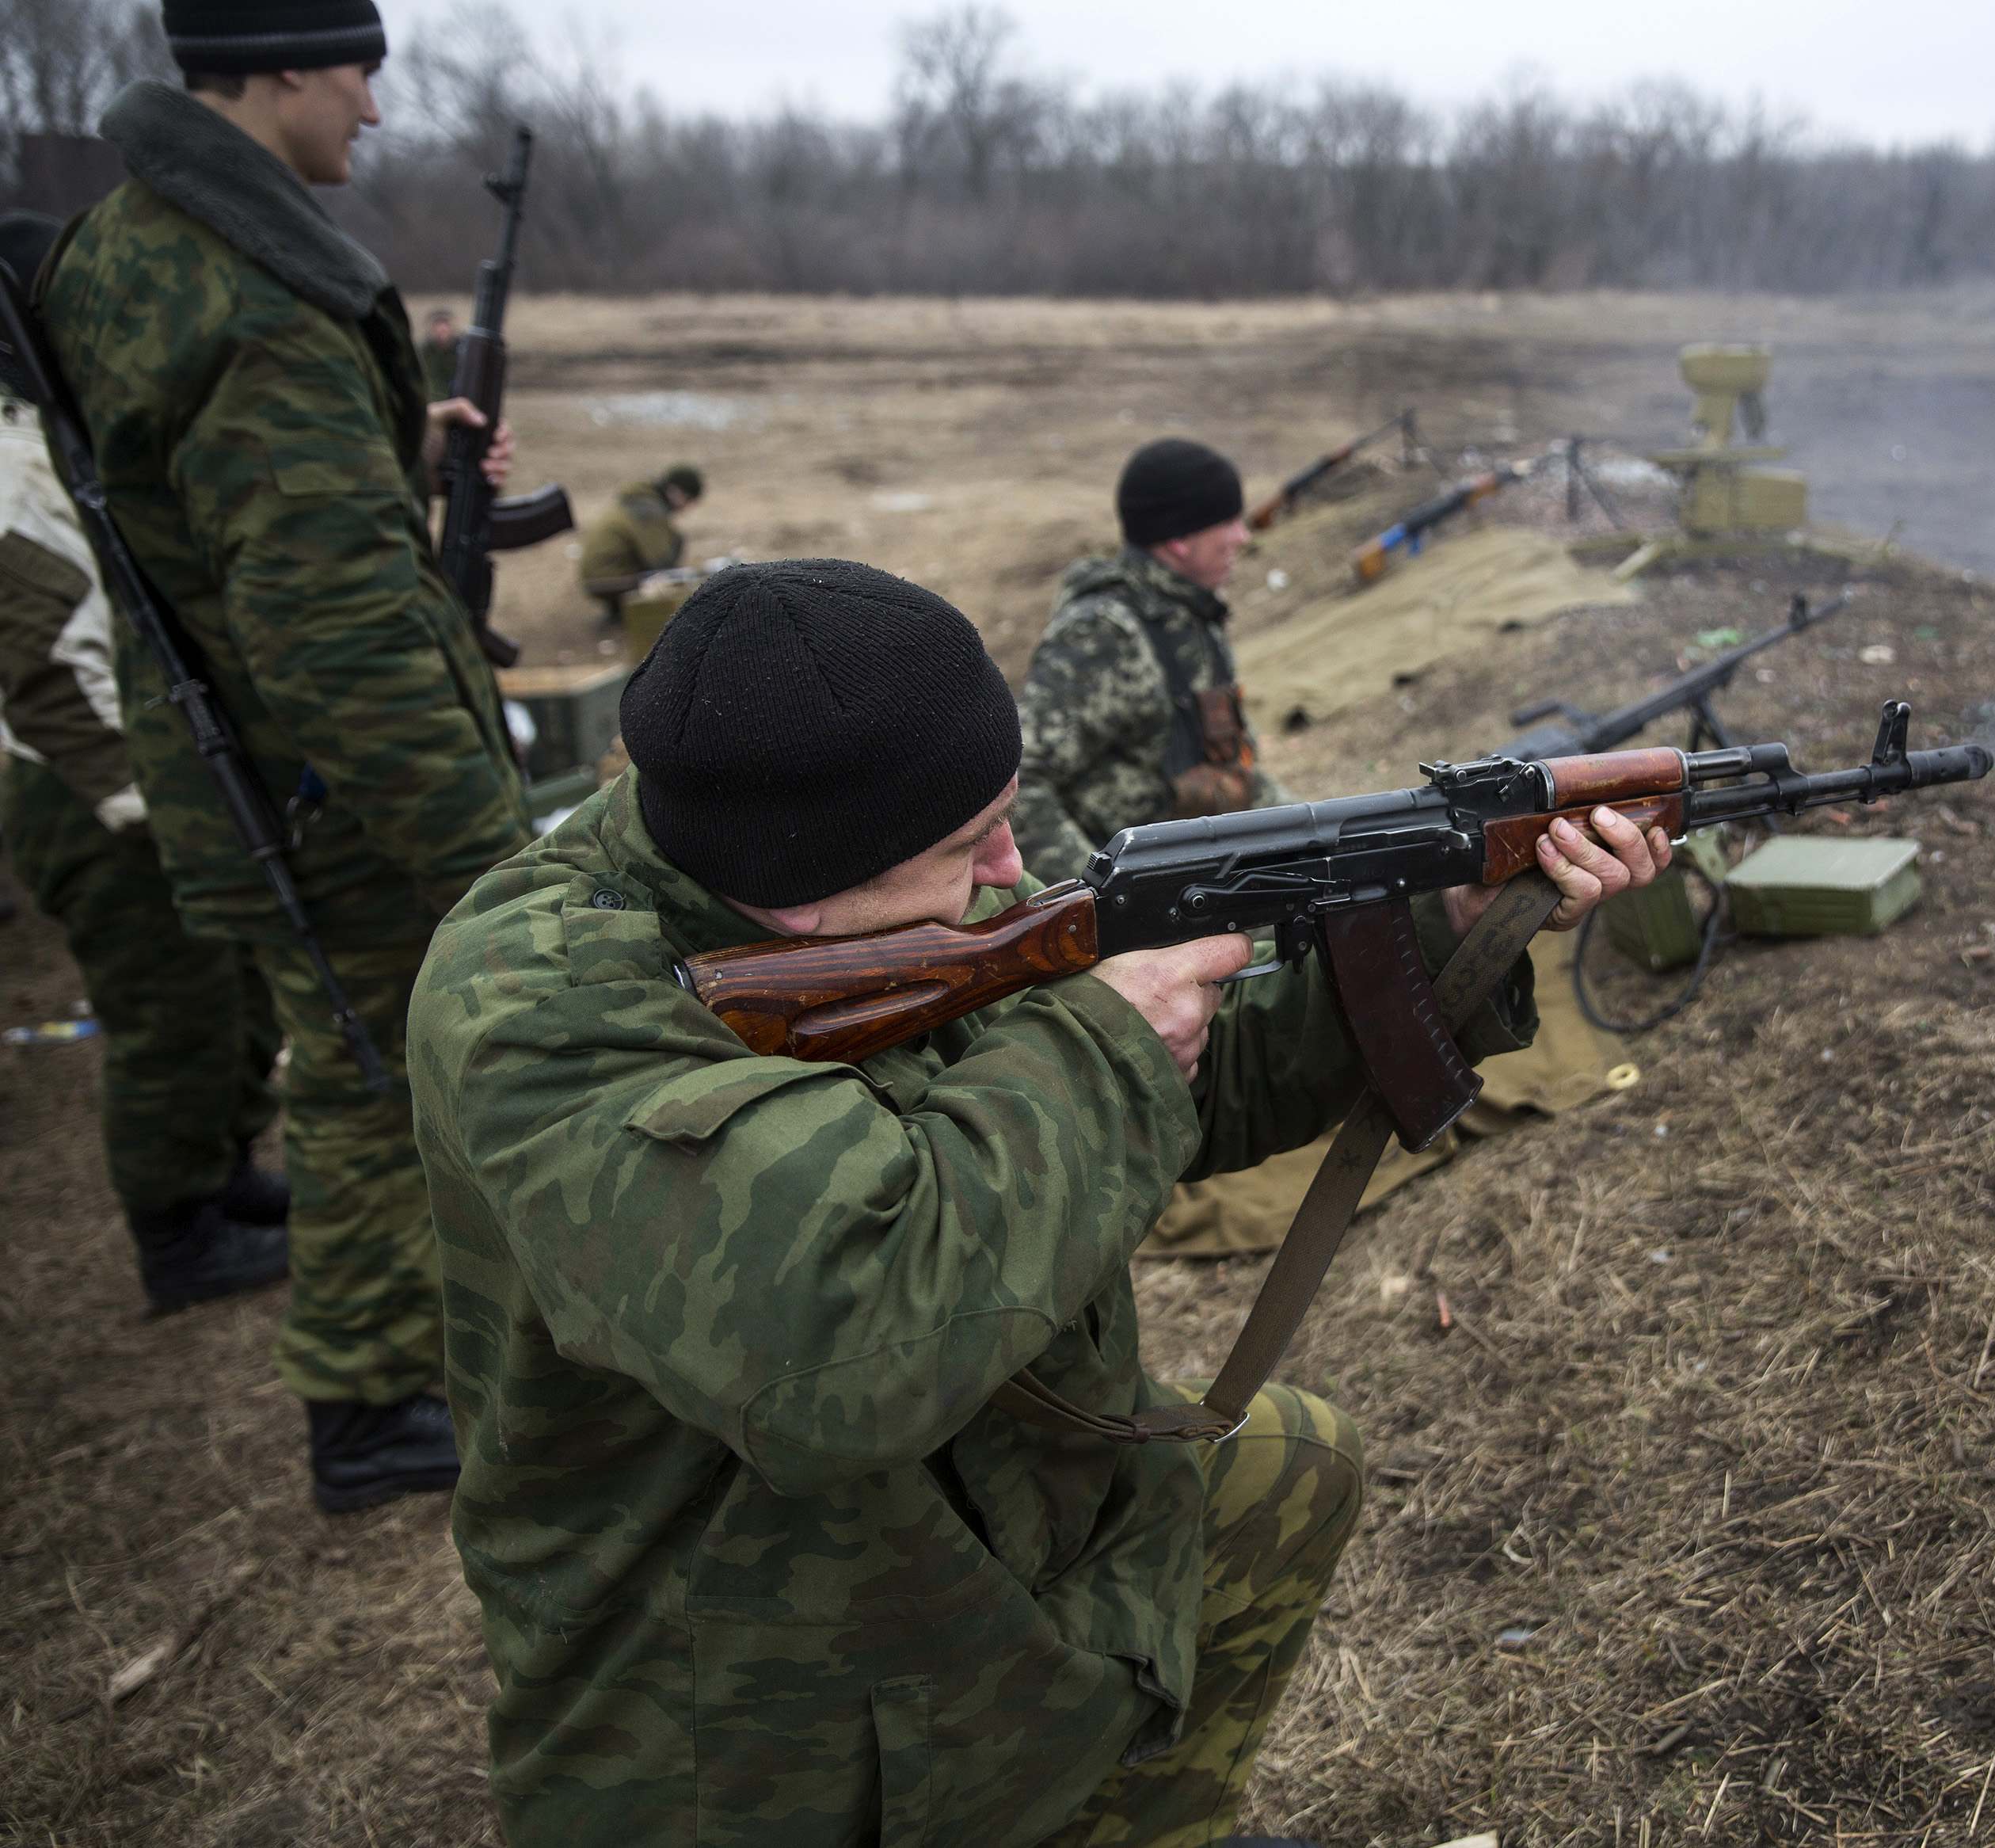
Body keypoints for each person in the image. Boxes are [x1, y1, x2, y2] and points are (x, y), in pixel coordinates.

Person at [408, 559, 1667, 1847]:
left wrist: (1458, 922)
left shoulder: (887, 888)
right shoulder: (537, 1006)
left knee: (1291, 1465)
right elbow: (839, 1348)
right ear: (797, 887)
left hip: (1000, 1552)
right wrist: (1115, 1039)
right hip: (748, 1725)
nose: (1015, 865)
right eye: (970, 844)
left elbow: (1183, 1093)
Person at [40, 0, 532, 1514]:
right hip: (325, 795)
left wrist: (391, 447)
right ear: (278, 75)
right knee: (378, 1073)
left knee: (344, 1061)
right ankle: (375, 1401)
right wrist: (483, 859)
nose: (372, 113)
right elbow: (331, 634)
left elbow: (204, 514)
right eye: (358, 76)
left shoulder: (125, 241)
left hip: (242, 767)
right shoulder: (254, 300)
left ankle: (386, 1362)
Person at [0, 364, 288, 1313]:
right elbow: (45, 675)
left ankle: (223, 1172)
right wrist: (140, 800)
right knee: (170, 1012)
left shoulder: (56, 442)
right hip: (94, 791)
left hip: (152, 774)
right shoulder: (12, 474)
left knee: (231, 993)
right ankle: (176, 1232)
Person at [1014, 437, 1284, 884]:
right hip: (1143, 912)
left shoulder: (1192, 618)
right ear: (1178, 539)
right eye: (1228, 521)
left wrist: (1326, 835)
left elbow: (1235, 773)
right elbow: (1020, 784)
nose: (1243, 536)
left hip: (1201, 878)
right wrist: (1098, 899)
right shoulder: (1104, 633)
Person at [577, 463, 704, 621]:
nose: (686, 508)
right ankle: (632, 613)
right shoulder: (649, 510)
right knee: (668, 575)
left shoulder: (640, 500)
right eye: (688, 500)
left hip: (596, 575)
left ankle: (621, 612)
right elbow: (661, 562)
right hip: (604, 580)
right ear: (676, 492)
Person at [418, 305, 459, 400]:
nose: (442, 328)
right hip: (433, 401)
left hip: (456, 399)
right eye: (438, 324)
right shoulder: (424, 351)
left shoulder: (461, 349)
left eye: (446, 324)